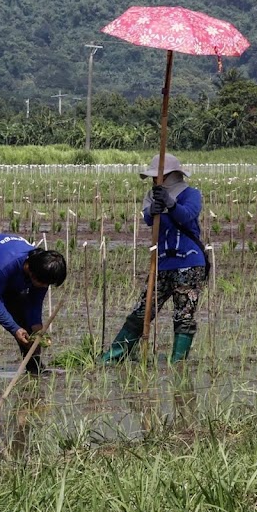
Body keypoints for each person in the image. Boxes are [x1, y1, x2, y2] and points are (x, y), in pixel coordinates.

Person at [101, 154, 206, 364]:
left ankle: (178, 362)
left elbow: (187, 215)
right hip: (162, 263)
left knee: (184, 314)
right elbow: (149, 219)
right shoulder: (152, 196)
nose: (153, 180)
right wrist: (153, 210)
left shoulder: (191, 194)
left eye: (157, 176)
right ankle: (114, 356)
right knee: (143, 310)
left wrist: (171, 204)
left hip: (189, 263)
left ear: (170, 175)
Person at [0, 234, 67, 374]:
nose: (45, 287)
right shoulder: (6, 265)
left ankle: (34, 367)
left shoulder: (42, 271)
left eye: (47, 284)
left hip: (7, 267)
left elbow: (34, 303)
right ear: (31, 272)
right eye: (43, 283)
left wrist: (36, 325)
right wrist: (14, 329)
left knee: (23, 316)